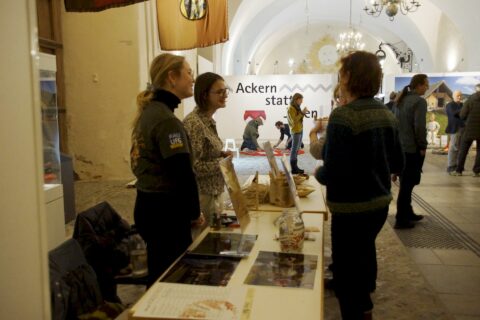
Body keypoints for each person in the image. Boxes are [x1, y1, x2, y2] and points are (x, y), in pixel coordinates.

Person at [315, 51, 404, 320]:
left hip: (350, 209)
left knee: (347, 269)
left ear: (349, 77)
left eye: (342, 73)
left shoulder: (344, 116)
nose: (340, 79)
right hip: (378, 205)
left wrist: (319, 173)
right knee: (364, 253)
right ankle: (364, 298)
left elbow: (333, 172)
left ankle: (358, 307)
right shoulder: (386, 114)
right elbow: (398, 162)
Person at [130, 53, 204, 286]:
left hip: (149, 205)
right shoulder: (166, 120)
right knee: (170, 279)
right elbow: (182, 173)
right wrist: (194, 212)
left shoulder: (151, 113)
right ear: (172, 77)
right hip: (166, 213)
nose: (193, 78)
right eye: (189, 72)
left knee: (159, 273)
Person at [183, 72, 232, 232]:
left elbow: (205, 153)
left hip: (213, 192)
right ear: (204, 95)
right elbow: (193, 167)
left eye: (226, 90)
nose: (225, 95)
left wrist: (220, 154)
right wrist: (222, 163)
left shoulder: (206, 120)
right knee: (205, 244)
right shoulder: (194, 124)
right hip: (204, 196)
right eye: (219, 92)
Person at [392, 73, 429, 229]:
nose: (427, 88)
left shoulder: (400, 100)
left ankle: (408, 212)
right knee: (408, 184)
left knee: (406, 182)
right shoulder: (419, 102)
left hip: (400, 148)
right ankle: (401, 219)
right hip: (412, 148)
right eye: (426, 85)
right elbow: (419, 126)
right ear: (419, 85)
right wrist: (422, 145)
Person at [310, 83, 346, 160]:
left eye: (338, 97)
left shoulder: (340, 117)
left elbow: (317, 151)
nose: (337, 102)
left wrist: (313, 132)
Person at [451, 84, 480, 177]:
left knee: (463, 150)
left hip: (469, 129)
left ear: (476, 90)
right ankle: (477, 171)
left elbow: (462, 115)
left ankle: (459, 171)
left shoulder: (470, 99)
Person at [287, 93, 308, 174]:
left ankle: (295, 167)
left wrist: (303, 113)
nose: (302, 102)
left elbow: (299, 118)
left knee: (297, 149)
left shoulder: (296, 107)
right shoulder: (291, 108)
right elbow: (294, 121)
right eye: (301, 100)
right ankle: (293, 168)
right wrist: (302, 112)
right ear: (296, 99)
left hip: (299, 129)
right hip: (295, 131)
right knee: (294, 149)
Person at [445, 90, 464, 172]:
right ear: (453, 96)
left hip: (463, 128)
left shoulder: (463, 105)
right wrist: (465, 109)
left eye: (460, 95)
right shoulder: (449, 105)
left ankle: (457, 165)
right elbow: (453, 113)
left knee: (460, 148)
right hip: (454, 129)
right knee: (453, 147)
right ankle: (451, 166)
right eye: (457, 96)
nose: (459, 97)